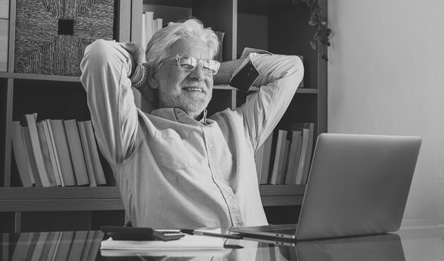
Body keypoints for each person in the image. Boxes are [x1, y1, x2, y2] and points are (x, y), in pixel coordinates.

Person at [80, 18, 304, 229]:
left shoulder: (239, 127)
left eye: (208, 66)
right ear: (156, 74)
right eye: (184, 62)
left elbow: (291, 69)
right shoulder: (132, 134)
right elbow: (101, 55)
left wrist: (210, 72)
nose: (198, 75)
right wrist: (143, 75)